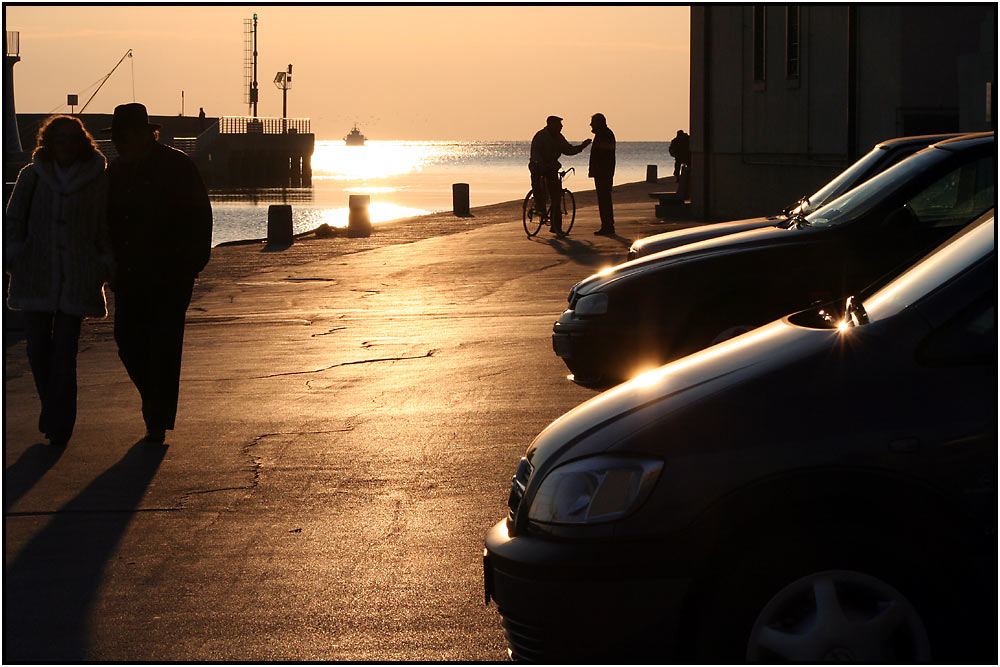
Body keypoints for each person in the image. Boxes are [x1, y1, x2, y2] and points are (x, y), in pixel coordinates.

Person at [104, 103, 213, 444]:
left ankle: (157, 419)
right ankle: (154, 399)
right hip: (129, 274)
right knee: (127, 342)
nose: (118, 143)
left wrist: (192, 263)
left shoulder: (176, 165)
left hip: (171, 273)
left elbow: (200, 215)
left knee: (164, 345)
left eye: (123, 136)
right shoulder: (114, 172)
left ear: (144, 133)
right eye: (115, 137)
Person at [4, 115, 114, 446]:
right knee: (38, 349)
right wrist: (14, 252)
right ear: (49, 142)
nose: (66, 144)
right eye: (59, 138)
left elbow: (105, 225)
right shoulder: (31, 176)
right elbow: (13, 219)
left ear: (82, 141)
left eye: (71, 138)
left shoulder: (98, 178)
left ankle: (59, 423)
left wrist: (104, 263)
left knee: (64, 352)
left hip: (78, 274)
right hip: (35, 273)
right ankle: (52, 409)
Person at [529, 116, 591, 235]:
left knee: (556, 196)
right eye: (559, 124)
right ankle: (539, 207)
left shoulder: (558, 137)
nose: (561, 127)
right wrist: (541, 165)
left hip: (551, 167)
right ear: (551, 125)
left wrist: (581, 147)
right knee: (538, 189)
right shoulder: (540, 136)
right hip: (537, 166)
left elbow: (568, 150)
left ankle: (556, 227)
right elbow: (535, 153)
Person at [588, 113, 616, 236]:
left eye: (593, 122)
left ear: (599, 123)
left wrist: (598, 169)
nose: (591, 125)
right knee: (604, 199)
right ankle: (606, 225)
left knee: (604, 199)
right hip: (603, 172)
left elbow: (604, 155)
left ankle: (608, 226)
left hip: (603, 172)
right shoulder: (603, 134)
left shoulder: (605, 135)